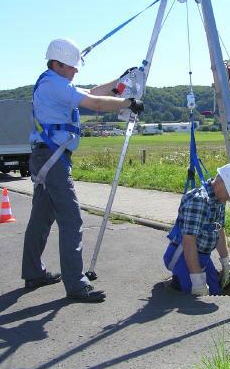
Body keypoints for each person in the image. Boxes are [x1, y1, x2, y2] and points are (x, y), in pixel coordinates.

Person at [22, 38, 144, 303]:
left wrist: (118, 83)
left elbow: (91, 91)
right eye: (72, 66)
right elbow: (95, 103)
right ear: (57, 64)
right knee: (72, 219)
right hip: (53, 158)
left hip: (46, 156)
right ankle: (76, 285)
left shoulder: (53, 82)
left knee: (42, 217)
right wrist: (127, 103)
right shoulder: (55, 85)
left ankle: (33, 272)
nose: (76, 70)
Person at [163, 163, 230, 296]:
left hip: (203, 257)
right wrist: (197, 281)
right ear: (219, 182)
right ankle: (178, 283)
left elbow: (219, 229)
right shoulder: (199, 201)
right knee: (194, 298)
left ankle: (195, 279)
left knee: (215, 293)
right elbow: (188, 242)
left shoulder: (219, 201)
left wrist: (226, 263)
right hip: (182, 257)